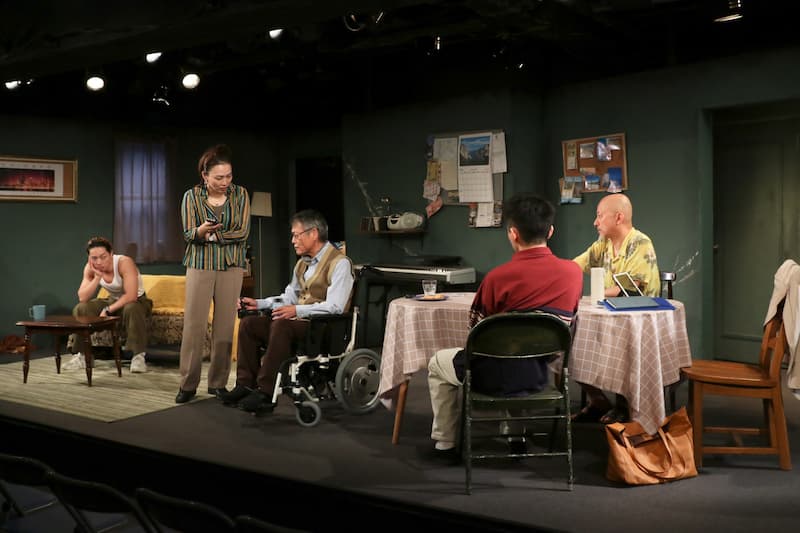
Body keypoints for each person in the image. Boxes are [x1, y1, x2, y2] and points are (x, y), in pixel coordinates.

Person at [426, 193, 583, 461]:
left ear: (513, 233)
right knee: (518, 353)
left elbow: (476, 332)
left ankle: (446, 443)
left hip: (491, 378)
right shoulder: (573, 273)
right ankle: (516, 435)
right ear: (550, 231)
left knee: (437, 363)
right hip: (539, 376)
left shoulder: (497, 278)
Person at [220, 209, 355, 413]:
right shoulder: (302, 264)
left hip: (323, 328)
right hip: (297, 324)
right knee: (249, 324)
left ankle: (266, 392)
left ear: (313, 233)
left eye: (296, 235)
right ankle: (245, 384)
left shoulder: (340, 263)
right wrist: (259, 304)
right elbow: (288, 298)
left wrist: (297, 311)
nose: (293, 241)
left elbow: (335, 306)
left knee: (281, 325)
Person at [572, 192, 660, 423]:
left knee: (623, 348)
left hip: (637, 323)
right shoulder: (603, 244)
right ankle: (598, 401)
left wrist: (596, 294)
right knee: (575, 342)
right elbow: (575, 266)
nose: (595, 222)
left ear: (618, 217)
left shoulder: (640, 243)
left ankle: (625, 405)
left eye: (600, 216)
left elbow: (631, 286)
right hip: (608, 317)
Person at [175, 144, 250, 404]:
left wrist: (212, 235)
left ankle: (218, 383)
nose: (225, 182)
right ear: (205, 176)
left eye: (228, 176)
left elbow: (242, 231)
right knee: (194, 326)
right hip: (200, 264)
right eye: (219, 177)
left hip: (231, 265)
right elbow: (189, 233)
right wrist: (200, 232)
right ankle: (187, 384)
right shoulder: (191, 197)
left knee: (225, 325)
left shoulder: (240, 194)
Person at [64, 236, 153, 373]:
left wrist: (108, 309)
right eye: (94, 258)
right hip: (113, 300)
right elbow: (82, 297)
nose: (99, 262)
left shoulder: (124, 262)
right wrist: (97, 277)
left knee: (131, 308)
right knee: (81, 308)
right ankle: (83, 356)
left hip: (137, 301)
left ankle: (138, 356)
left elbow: (131, 295)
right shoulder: (90, 268)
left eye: (103, 257)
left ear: (111, 253)